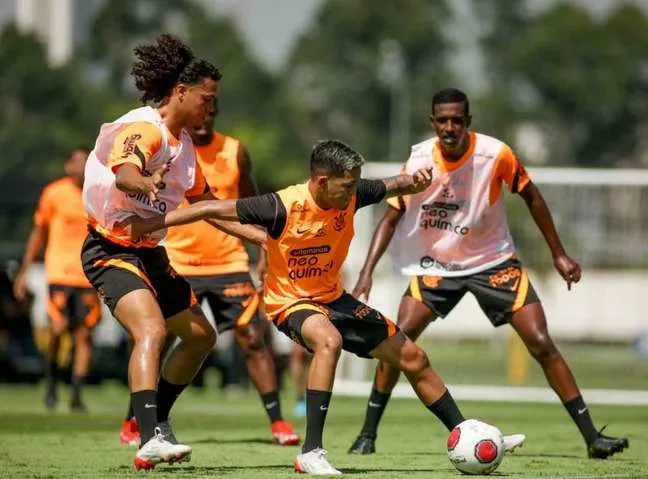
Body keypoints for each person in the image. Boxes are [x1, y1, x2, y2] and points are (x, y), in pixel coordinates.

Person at [126, 139, 525, 475]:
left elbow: (392, 185)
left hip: (335, 297)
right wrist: (151, 225)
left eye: (355, 185)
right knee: (328, 341)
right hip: (290, 302)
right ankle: (311, 451)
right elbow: (211, 208)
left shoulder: (351, 193)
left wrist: (414, 180)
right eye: (346, 186)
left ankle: (466, 430)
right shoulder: (281, 206)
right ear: (321, 181)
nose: (353, 192)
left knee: (414, 357)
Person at [346, 88, 630, 460]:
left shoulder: (495, 154)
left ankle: (592, 437)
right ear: (433, 122)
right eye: (442, 120)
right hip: (439, 267)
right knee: (398, 341)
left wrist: (559, 254)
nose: (450, 127)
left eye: (457, 120)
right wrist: (367, 271)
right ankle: (367, 434)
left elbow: (532, 196)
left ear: (468, 122)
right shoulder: (418, 158)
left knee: (541, 342)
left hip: (494, 261)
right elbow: (392, 215)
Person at [81, 34, 264, 470]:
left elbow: (205, 207)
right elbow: (126, 174)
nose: (211, 106)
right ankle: (146, 438)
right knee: (152, 330)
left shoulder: (184, 150)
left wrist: (257, 235)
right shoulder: (145, 129)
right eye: (207, 97)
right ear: (181, 92)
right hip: (110, 249)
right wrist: (147, 182)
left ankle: (156, 420)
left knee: (201, 337)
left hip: (148, 253)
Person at [119, 104, 300, 447]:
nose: (204, 119)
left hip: (228, 262)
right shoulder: (170, 149)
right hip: (176, 259)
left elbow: (251, 203)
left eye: (212, 111)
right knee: (159, 338)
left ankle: (277, 422)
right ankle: (134, 421)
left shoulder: (234, 150)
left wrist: (263, 249)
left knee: (252, 338)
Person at [13, 148, 100, 412]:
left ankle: (76, 393)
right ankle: (51, 381)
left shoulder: (98, 194)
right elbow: (39, 232)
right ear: (67, 166)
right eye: (77, 162)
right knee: (58, 329)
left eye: (87, 162)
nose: (82, 167)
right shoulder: (54, 193)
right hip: (59, 273)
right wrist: (24, 270)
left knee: (84, 335)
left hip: (89, 275)